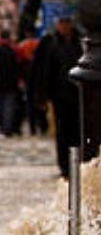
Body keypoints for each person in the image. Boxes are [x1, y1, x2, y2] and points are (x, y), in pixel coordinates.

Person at [31, 16, 87, 178]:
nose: (64, 26)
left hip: (79, 95)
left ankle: (79, 165)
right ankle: (65, 167)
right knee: (63, 133)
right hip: (59, 96)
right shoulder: (49, 42)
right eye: (62, 22)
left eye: (67, 22)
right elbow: (40, 71)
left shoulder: (81, 40)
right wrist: (41, 97)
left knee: (79, 132)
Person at [0, 29, 24, 137]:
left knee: (0, 107)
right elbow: (21, 62)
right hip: (11, 83)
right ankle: (8, 129)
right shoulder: (14, 50)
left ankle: (2, 127)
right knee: (9, 106)